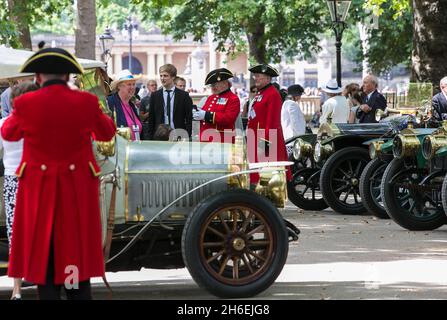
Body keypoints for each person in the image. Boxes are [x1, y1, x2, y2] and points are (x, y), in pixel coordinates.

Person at [2, 47, 116, 300]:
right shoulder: (85, 101)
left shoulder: (25, 103)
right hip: (76, 189)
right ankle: (75, 287)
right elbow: (107, 132)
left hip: (38, 189)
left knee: (45, 251)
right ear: (67, 76)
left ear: (39, 77)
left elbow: (8, 133)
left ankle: (50, 289)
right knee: (74, 251)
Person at [0, 81, 40, 300]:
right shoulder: (42, 124)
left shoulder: (5, 124)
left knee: (16, 236)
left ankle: (17, 290)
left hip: (13, 182)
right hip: (36, 180)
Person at [247, 64, 289, 189]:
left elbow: (272, 121)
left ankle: (267, 200)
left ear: (267, 78)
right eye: (255, 75)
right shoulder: (262, 93)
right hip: (255, 138)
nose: (255, 78)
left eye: (258, 76)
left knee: (266, 176)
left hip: (264, 140)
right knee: (255, 174)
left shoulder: (272, 94)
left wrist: (265, 142)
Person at [193, 68, 240, 143]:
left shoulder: (233, 98)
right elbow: (204, 114)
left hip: (222, 139)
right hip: (205, 138)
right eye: (211, 85)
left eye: (214, 85)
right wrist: (197, 114)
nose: (212, 87)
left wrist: (207, 115)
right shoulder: (211, 97)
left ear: (225, 83)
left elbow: (229, 118)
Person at [147, 64, 193, 140]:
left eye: (165, 76)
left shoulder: (184, 96)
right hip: (159, 136)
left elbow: (189, 118)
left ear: (173, 77)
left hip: (179, 135)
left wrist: (187, 135)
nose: (162, 78)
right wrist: (151, 138)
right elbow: (151, 119)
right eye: (161, 76)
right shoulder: (155, 95)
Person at [107, 69, 142, 141]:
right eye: (129, 84)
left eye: (133, 84)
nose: (132, 87)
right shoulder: (110, 102)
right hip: (120, 150)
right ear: (119, 86)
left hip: (135, 149)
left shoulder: (132, 105)